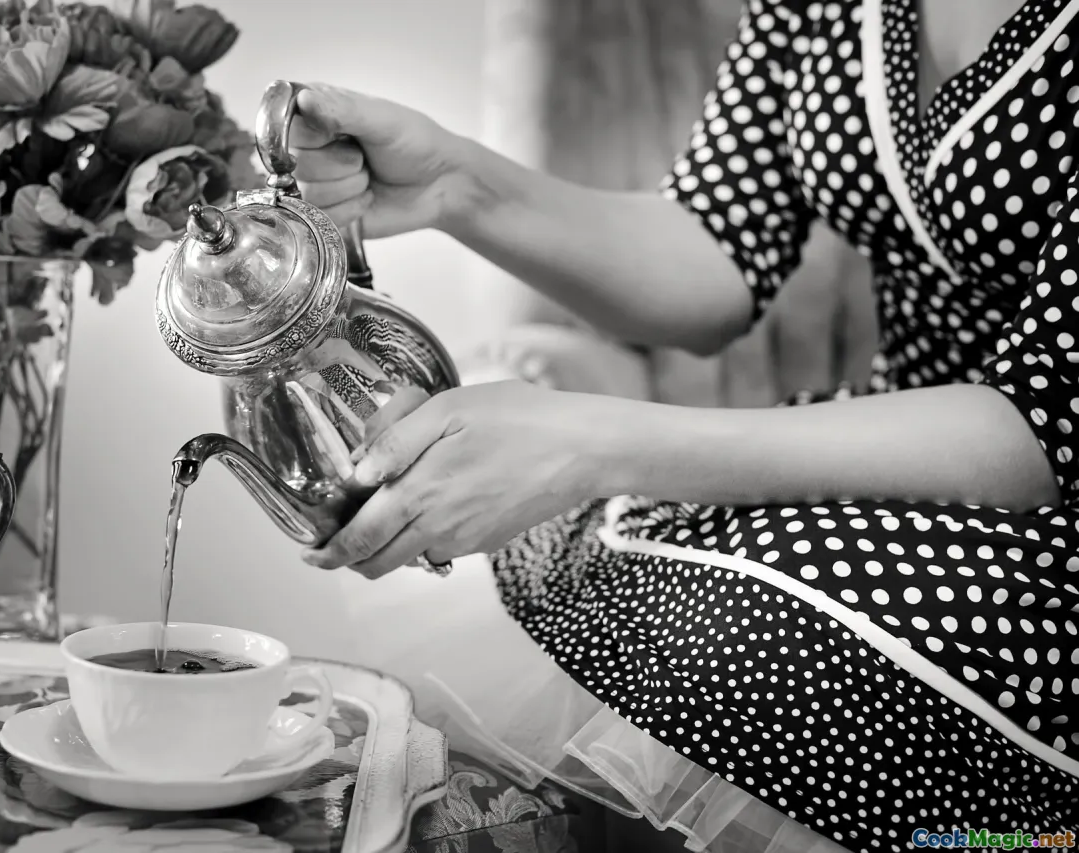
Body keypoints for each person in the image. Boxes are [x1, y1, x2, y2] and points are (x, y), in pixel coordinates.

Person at [291, 0, 1079, 847]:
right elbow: (718, 244)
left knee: (761, 637)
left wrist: (593, 445)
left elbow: (1040, 425)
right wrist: (456, 183)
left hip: (1032, 503)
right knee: (556, 540)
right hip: (895, 455)